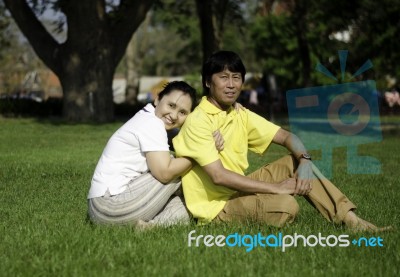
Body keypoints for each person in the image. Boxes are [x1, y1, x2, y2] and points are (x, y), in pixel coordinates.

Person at [173, 50, 392, 231]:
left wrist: (305, 160)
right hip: (215, 208)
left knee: (296, 162)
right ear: (207, 82)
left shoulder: (239, 113)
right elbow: (219, 176)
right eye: (223, 77)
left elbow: (288, 136)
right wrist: (275, 188)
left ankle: (351, 221)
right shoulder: (198, 121)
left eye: (236, 77)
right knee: (287, 206)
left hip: (236, 191)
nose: (231, 84)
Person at [87, 81, 224, 227]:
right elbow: (164, 173)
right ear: (158, 99)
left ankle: (150, 227)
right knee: (180, 173)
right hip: (109, 206)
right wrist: (202, 153)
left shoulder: (150, 119)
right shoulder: (151, 123)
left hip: (103, 212)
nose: (174, 115)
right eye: (171, 105)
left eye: (183, 112)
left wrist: (233, 108)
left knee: (192, 201)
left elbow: (184, 142)